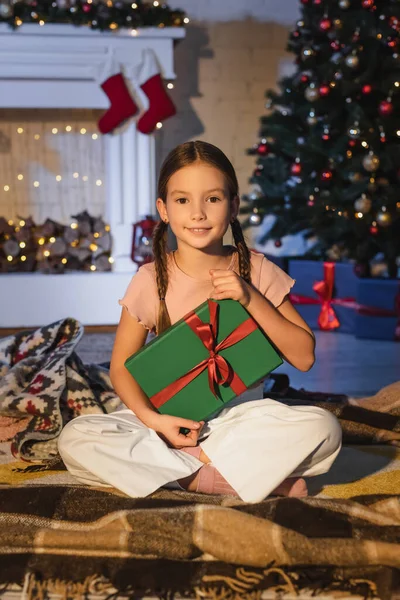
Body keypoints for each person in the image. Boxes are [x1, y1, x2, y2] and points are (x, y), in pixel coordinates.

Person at [58, 141, 342, 503]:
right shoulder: (150, 279)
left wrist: (249, 297)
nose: (198, 214)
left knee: (325, 429)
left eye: (212, 199)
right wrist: (154, 420)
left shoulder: (256, 270)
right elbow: (120, 368)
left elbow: (304, 357)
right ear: (163, 209)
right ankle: (211, 476)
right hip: (166, 422)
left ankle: (181, 470)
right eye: (182, 201)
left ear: (234, 205)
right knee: (77, 438)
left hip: (242, 421)